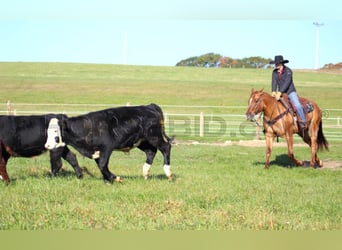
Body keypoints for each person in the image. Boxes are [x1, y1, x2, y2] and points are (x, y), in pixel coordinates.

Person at [270, 55, 307, 130]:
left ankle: (303, 121)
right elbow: (274, 82)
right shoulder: (274, 72)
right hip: (280, 92)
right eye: (275, 64)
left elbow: (287, 82)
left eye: (277, 64)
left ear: (281, 63)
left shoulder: (288, 71)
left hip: (290, 91)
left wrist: (280, 92)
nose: (276, 65)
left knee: (297, 105)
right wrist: (273, 91)